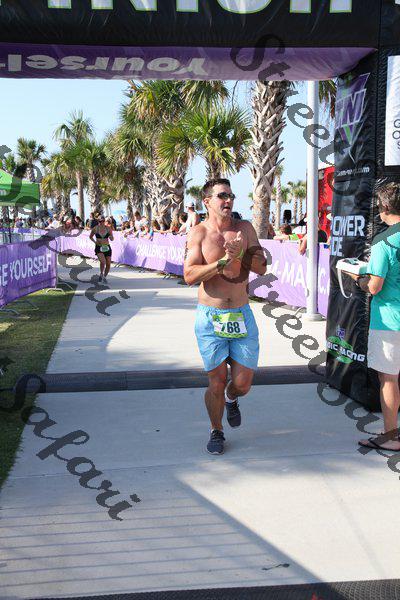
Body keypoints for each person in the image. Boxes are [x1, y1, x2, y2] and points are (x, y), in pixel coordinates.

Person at [184, 178, 267, 455]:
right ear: (207, 201)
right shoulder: (198, 233)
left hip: (241, 314)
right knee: (217, 380)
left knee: (242, 383)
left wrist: (242, 254)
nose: (228, 200)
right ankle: (216, 430)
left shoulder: (245, 229)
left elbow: (262, 267)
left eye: (231, 195)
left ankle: (232, 398)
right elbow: (189, 275)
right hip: (211, 316)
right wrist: (221, 263)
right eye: (222, 196)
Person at [343, 183, 400, 452]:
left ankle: (391, 437)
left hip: (389, 320)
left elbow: (374, 286)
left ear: (384, 206)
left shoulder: (384, 241)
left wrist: (356, 277)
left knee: (389, 379)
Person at [89, 215, 114, 283]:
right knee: (103, 261)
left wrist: (111, 237)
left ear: (104, 221)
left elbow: (112, 238)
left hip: (107, 247)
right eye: (100, 221)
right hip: (99, 247)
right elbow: (90, 237)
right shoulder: (95, 228)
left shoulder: (108, 228)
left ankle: (104, 276)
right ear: (98, 221)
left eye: (103, 221)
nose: (101, 222)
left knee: (108, 263)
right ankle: (101, 273)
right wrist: (95, 242)